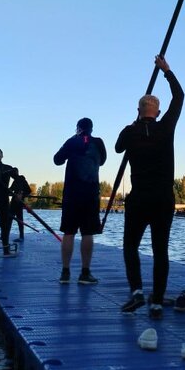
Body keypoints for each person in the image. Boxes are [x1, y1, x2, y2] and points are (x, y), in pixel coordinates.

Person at [115, 55, 184, 319]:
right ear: (156, 111)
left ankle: (136, 291)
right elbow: (179, 97)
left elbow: (118, 148)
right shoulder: (166, 127)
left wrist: (133, 123)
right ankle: (156, 301)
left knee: (130, 246)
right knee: (160, 250)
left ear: (138, 110)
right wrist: (167, 70)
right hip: (163, 199)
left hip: (139, 199)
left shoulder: (130, 132)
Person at [53, 118, 107, 284]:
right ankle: (85, 272)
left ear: (78, 128)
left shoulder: (72, 141)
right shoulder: (98, 143)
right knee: (88, 233)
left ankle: (65, 272)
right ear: (91, 129)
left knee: (69, 232)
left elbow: (57, 160)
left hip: (72, 194)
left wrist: (71, 145)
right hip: (90, 193)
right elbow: (103, 161)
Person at [8, 169, 32, 242]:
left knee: (17, 219)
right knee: (10, 219)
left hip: (19, 203)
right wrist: (9, 192)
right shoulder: (15, 181)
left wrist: (22, 195)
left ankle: (21, 236)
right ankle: (7, 234)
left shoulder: (21, 180)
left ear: (15, 173)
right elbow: (11, 190)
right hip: (14, 202)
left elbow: (28, 191)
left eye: (12, 174)